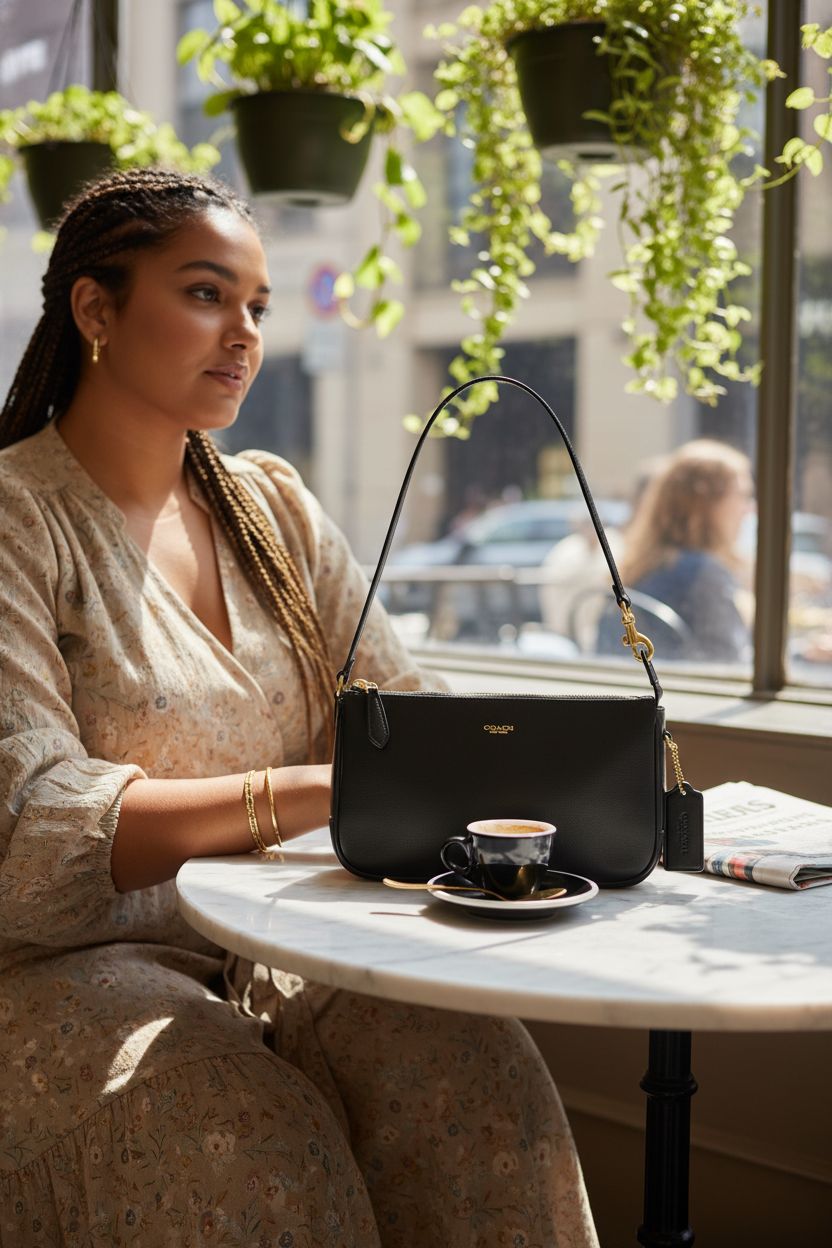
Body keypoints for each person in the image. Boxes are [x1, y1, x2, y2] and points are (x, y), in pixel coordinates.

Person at [0, 169, 598, 1247]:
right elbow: (33, 835)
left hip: (291, 946)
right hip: (59, 973)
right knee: (243, 1139)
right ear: (95, 309)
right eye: (203, 294)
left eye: (258, 307)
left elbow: (402, 717)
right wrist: (308, 793)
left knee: (479, 1082)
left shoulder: (271, 504)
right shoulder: (17, 520)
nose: (243, 333)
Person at [597, 440, 754, 663]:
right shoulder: (703, 575)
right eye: (742, 495)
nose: (749, 508)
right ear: (707, 504)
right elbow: (732, 666)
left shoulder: (643, 565)